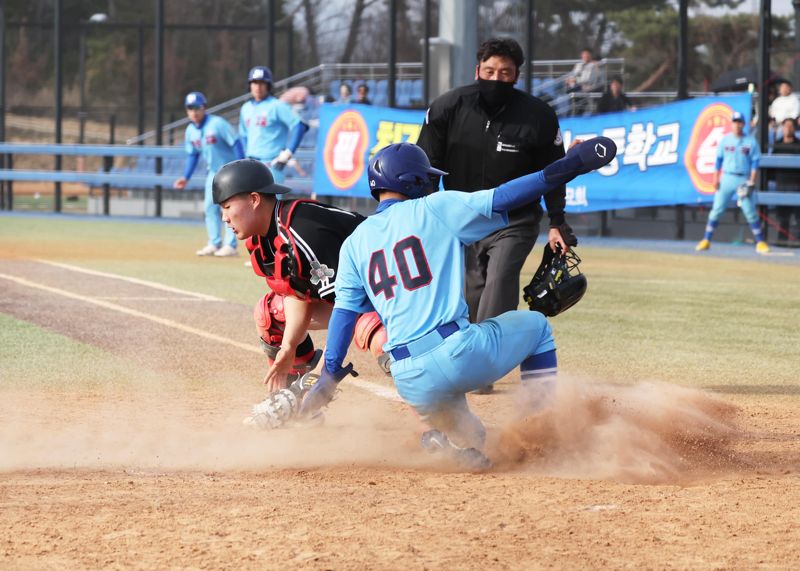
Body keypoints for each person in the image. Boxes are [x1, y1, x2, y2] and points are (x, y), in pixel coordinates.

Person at [297, 139, 616, 469]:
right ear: (415, 181)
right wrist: (572, 165)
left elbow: (344, 316)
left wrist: (329, 376)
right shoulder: (434, 208)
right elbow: (508, 195)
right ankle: (542, 427)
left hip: (409, 378)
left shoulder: (354, 243)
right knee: (537, 328)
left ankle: (443, 443)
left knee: (479, 441)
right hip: (457, 353)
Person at [416, 37, 571, 393]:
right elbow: (425, 165)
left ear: (517, 75)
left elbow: (555, 172)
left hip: (514, 219)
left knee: (500, 281)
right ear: (477, 70)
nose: (496, 79)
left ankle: (482, 366)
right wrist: (421, 213)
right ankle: (462, 358)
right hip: (462, 218)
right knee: (469, 291)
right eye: (489, 71)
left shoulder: (539, 117)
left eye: (505, 73)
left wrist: (557, 221)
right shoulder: (448, 106)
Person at [211, 159, 388, 403]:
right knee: (271, 313)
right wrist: (288, 348)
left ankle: (439, 420)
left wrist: (323, 374)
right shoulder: (266, 237)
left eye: (228, 206)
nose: (224, 218)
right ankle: (296, 401)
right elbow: (298, 294)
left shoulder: (302, 230)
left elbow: (348, 307)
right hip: (362, 295)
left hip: (393, 292)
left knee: (376, 334)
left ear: (254, 199)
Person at [173, 91, 244, 257]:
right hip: (213, 173)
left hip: (230, 171)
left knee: (229, 209)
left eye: (198, 107)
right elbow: (193, 155)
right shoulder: (190, 130)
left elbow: (236, 142)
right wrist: (186, 177)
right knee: (209, 208)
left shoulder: (218, 123)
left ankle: (230, 245)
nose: (194, 112)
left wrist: (241, 165)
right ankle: (214, 242)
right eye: (190, 108)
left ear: (204, 108)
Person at [696, 111, 769, 254]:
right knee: (717, 209)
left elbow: (755, 163)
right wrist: (715, 179)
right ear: (732, 123)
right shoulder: (725, 140)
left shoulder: (750, 141)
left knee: (750, 211)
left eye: (739, 122)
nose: (737, 124)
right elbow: (718, 161)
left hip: (743, 179)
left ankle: (760, 242)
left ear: (743, 124)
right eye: (734, 122)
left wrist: (751, 182)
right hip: (727, 177)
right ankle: (706, 239)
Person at [239, 66, 309, 187]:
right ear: (250, 85)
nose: (258, 87)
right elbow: (243, 136)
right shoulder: (246, 108)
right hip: (251, 164)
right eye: (254, 82)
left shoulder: (277, 106)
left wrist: (288, 153)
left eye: (262, 83)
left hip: (272, 164)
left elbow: (300, 126)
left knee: (270, 205)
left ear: (268, 85)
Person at [772, 117, 800, 246]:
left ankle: (797, 244)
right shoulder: (777, 145)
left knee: (798, 218)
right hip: (781, 185)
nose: (788, 128)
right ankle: (781, 243)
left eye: (790, 126)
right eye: (786, 126)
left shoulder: (799, 144)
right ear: (782, 128)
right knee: (782, 218)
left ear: (794, 128)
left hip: (797, 186)